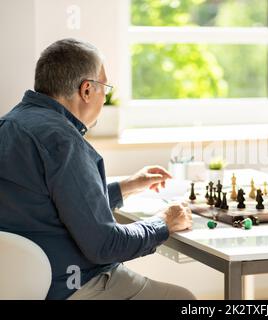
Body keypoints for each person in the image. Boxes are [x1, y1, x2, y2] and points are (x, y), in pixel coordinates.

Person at [0, 39, 195, 300]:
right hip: (71, 285)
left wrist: (126, 187)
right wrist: (163, 222)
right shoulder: (64, 141)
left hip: (19, 284)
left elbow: (54, 202)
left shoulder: (9, 125)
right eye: (105, 88)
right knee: (184, 299)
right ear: (87, 90)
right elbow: (106, 245)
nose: (105, 98)